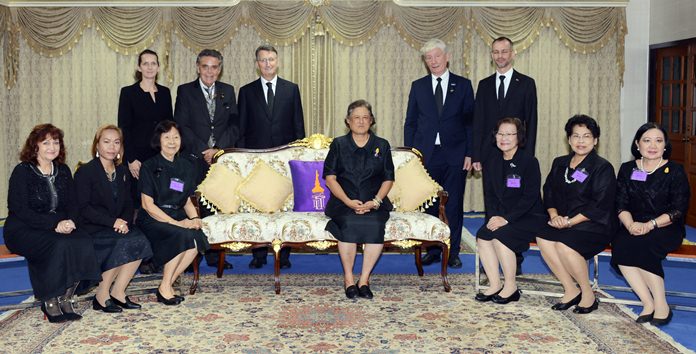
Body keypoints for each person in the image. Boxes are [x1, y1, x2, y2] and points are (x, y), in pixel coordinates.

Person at [4, 124, 101, 323]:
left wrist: (71, 221)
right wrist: (54, 224)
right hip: (22, 228)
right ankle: (49, 299)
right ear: (35, 146)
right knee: (58, 244)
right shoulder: (23, 171)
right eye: (46, 142)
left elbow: (74, 203)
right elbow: (19, 209)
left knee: (83, 240)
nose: (52, 147)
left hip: (58, 225)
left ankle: (66, 296)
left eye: (55, 142)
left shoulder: (63, 170)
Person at [404, 38, 475, 269]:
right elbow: (411, 123)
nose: (433, 61)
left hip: (455, 155)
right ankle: (433, 249)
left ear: (447, 57)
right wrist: (412, 154)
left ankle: (452, 251)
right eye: (428, 58)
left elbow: (470, 124)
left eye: (437, 56)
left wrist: (470, 153)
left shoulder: (463, 85)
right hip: (426, 156)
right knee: (430, 205)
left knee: (453, 205)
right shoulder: (418, 86)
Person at [611, 123, 689, 326]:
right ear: (637, 144)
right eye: (647, 140)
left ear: (665, 146)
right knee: (621, 244)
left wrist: (650, 225)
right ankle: (647, 303)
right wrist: (630, 225)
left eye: (658, 140)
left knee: (645, 245)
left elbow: (678, 209)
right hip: (634, 223)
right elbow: (620, 203)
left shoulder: (675, 171)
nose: (652, 145)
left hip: (666, 226)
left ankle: (661, 304)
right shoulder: (628, 169)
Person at [536, 115, 616, 314]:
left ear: (595, 140)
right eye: (576, 136)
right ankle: (570, 289)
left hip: (594, 223)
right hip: (563, 220)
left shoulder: (602, 167)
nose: (581, 141)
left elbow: (599, 205)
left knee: (565, 244)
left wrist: (570, 222)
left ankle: (588, 294)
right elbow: (549, 191)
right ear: (569, 139)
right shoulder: (560, 163)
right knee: (543, 237)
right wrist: (554, 215)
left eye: (587, 136)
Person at [471, 37, 538, 273]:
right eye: (496, 52)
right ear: (492, 55)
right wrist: (476, 154)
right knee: (493, 201)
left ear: (512, 54)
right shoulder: (484, 84)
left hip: (517, 154)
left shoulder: (526, 84)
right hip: (491, 155)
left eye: (504, 51)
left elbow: (531, 122)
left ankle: (514, 256)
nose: (500, 56)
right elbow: (478, 122)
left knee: (515, 198)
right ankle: (492, 256)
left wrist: (525, 157)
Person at [237, 44, 305, 269]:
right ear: (257, 64)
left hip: (285, 159)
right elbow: (242, 128)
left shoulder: (291, 89)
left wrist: (298, 156)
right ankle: (258, 255)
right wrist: (245, 159)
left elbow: (298, 126)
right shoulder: (246, 91)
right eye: (263, 60)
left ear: (277, 61)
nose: (267, 64)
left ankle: (284, 254)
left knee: (284, 204)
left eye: (271, 59)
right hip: (256, 159)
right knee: (257, 205)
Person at [74, 125, 153, 313]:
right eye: (106, 142)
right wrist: (112, 223)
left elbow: (128, 203)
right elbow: (83, 208)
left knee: (139, 240)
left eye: (116, 142)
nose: (112, 147)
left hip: (116, 225)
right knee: (119, 243)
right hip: (92, 226)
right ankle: (101, 295)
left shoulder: (123, 172)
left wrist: (123, 222)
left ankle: (118, 292)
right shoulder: (86, 171)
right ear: (97, 145)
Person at [324, 100, 394, 300]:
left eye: (365, 117)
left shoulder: (382, 145)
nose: (361, 122)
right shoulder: (338, 144)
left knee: (374, 223)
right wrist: (347, 201)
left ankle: (363, 280)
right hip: (343, 202)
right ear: (348, 121)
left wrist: (376, 201)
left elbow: (388, 178)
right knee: (349, 222)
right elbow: (330, 178)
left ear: (371, 121)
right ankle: (348, 279)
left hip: (375, 202)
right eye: (356, 118)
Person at [174, 48, 237, 269]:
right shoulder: (185, 91)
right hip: (193, 158)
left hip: (220, 160)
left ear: (220, 69)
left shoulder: (228, 91)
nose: (210, 71)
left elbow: (233, 124)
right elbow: (181, 124)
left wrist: (217, 149)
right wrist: (204, 149)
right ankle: (193, 256)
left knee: (216, 205)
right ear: (198, 67)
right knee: (194, 205)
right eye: (205, 66)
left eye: (214, 67)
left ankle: (215, 254)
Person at [138, 120, 210, 305]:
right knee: (180, 236)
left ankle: (166, 284)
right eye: (167, 137)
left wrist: (194, 217)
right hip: (153, 217)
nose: (172, 141)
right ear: (159, 140)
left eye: (176, 137)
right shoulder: (149, 166)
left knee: (196, 239)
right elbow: (147, 205)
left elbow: (185, 198)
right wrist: (178, 223)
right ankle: (165, 287)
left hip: (176, 213)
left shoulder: (186, 166)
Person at [474, 118, 545, 304]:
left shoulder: (529, 162)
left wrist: (506, 219)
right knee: (483, 235)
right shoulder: (492, 161)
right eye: (500, 134)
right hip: (502, 216)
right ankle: (495, 284)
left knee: (501, 236)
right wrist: (492, 219)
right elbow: (489, 195)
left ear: (518, 137)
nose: (504, 138)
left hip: (529, 215)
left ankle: (511, 286)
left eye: (509, 134)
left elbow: (530, 198)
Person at [117, 48, 173, 275]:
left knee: (159, 208)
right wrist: (130, 159)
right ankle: (139, 257)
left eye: (153, 63)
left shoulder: (166, 93)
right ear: (139, 68)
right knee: (139, 208)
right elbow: (124, 128)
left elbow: (169, 129)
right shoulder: (128, 93)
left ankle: (158, 256)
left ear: (158, 67)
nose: (150, 67)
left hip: (159, 160)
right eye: (145, 63)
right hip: (137, 161)